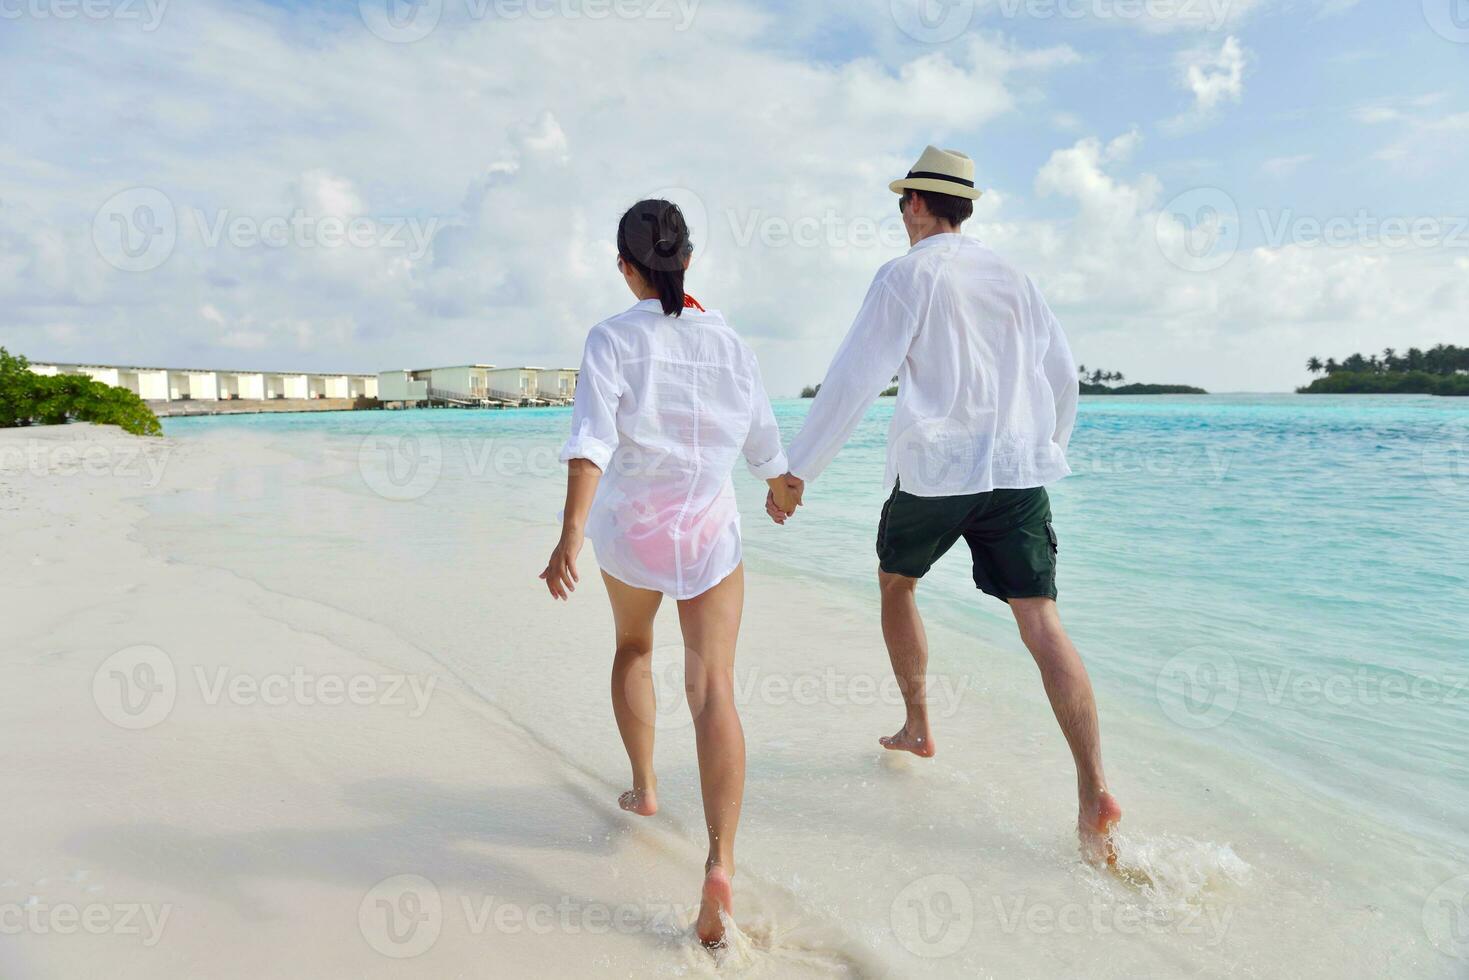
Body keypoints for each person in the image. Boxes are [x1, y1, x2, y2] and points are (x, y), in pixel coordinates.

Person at [768, 147, 1123, 862]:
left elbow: (853, 379)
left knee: (896, 584)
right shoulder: (1014, 277)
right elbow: (1062, 376)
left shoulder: (905, 275)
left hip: (935, 473)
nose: (900, 213)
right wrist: (1045, 446)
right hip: (1019, 473)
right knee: (1041, 623)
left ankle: (917, 724)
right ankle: (1092, 791)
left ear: (919, 205)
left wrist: (795, 471)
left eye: (903, 201)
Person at [541, 199, 797, 945]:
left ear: (626, 268)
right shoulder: (730, 342)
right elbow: (763, 443)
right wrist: (782, 486)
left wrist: (569, 535)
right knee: (712, 686)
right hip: (710, 531)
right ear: (688, 258)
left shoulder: (612, 338)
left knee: (633, 649)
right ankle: (718, 862)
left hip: (632, 534)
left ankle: (646, 788)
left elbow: (589, 440)